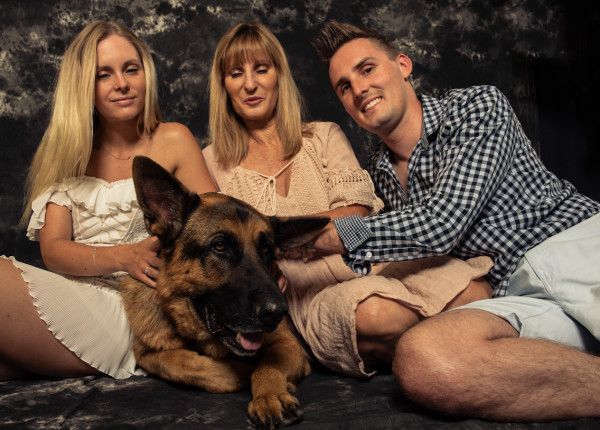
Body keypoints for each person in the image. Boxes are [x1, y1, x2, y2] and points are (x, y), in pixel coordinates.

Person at [312, 20, 600, 419]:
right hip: (516, 293)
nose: (359, 89)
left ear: (403, 65)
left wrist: (329, 236)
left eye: (367, 69)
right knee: (425, 359)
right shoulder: (377, 173)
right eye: (344, 86)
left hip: (574, 250)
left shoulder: (475, 107)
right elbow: (393, 251)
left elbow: (441, 224)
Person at [202, 21, 493, 378]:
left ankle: (440, 363)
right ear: (223, 86)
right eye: (236, 74)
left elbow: (356, 211)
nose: (250, 84)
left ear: (279, 76)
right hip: (303, 292)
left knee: (474, 293)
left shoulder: (323, 135)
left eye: (262, 69)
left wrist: (274, 238)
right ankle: (451, 359)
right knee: (376, 316)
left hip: (370, 263)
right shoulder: (210, 162)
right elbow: (220, 243)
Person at [0, 21, 216, 380]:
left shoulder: (173, 139)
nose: (122, 84)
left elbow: (216, 226)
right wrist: (123, 256)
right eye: (104, 75)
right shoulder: (70, 152)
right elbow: (53, 250)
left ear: (146, 75)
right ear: (84, 87)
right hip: (74, 296)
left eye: (131, 69)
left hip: (138, 310)